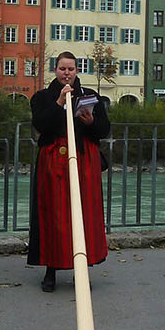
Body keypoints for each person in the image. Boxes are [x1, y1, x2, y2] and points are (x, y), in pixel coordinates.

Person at [27, 51, 111, 292]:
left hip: (85, 161)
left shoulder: (91, 96)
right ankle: (50, 270)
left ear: (77, 71)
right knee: (53, 215)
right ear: (56, 70)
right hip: (54, 160)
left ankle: (81, 269)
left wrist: (91, 122)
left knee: (84, 215)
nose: (67, 73)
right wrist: (60, 103)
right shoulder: (42, 97)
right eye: (63, 69)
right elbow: (41, 125)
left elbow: (104, 130)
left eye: (71, 69)